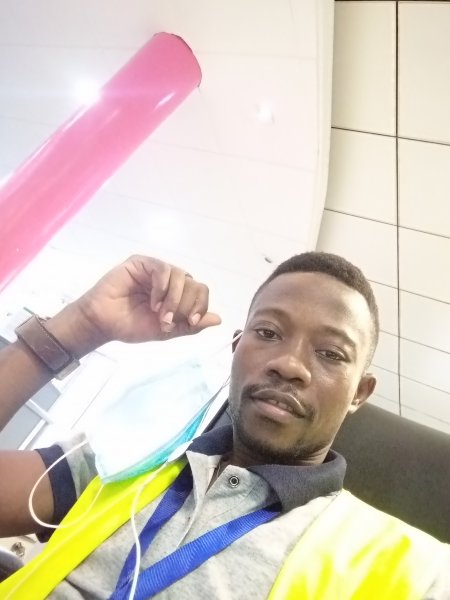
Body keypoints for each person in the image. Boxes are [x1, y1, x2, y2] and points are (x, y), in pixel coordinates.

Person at [0, 253, 448, 599]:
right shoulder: (134, 456)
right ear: (236, 348)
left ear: (359, 393)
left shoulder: (418, 569)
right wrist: (80, 325)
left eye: (331, 354)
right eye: (268, 333)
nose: (289, 365)